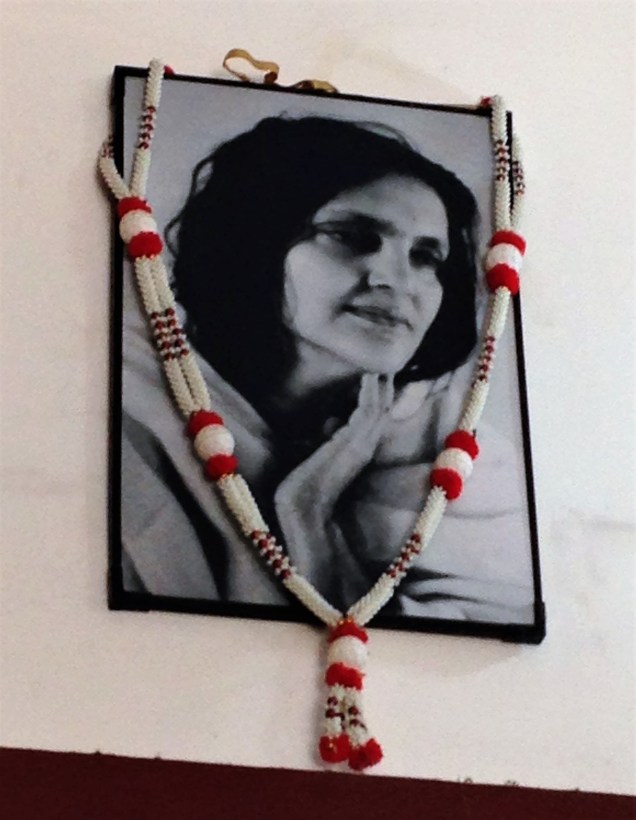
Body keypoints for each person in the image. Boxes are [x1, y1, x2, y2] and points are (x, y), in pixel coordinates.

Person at [121, 116, 534, 624]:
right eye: (351, 236)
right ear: (257, 244)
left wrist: (308, 511)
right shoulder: (133, 409)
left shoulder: (459, 449)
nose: (397, 280)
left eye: (427, 257)